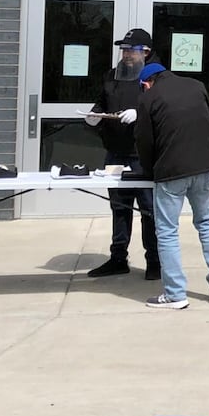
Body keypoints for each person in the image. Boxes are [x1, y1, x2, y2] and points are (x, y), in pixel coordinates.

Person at [135, 62, 209, 309]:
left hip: (171, 171)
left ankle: (176, 294)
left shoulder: (149, 97)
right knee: (206, 222)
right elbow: (205, 122)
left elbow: (144, 140)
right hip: (205, 165)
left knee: (166, 231)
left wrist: (148, 170)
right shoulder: (197, 87)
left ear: (146, 83)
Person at [83, 28, 160, 280]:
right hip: (115, 152)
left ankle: (154, 262)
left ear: (145, 52)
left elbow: (163, 108)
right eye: (124, 50)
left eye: (131, 50)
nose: (126, 54)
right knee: (119, 207)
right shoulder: (112, 75)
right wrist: (95, 115)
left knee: (148, 210)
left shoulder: (155, 76)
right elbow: (102, 101)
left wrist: (141, 114)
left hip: (142, 155)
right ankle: (118, 257)